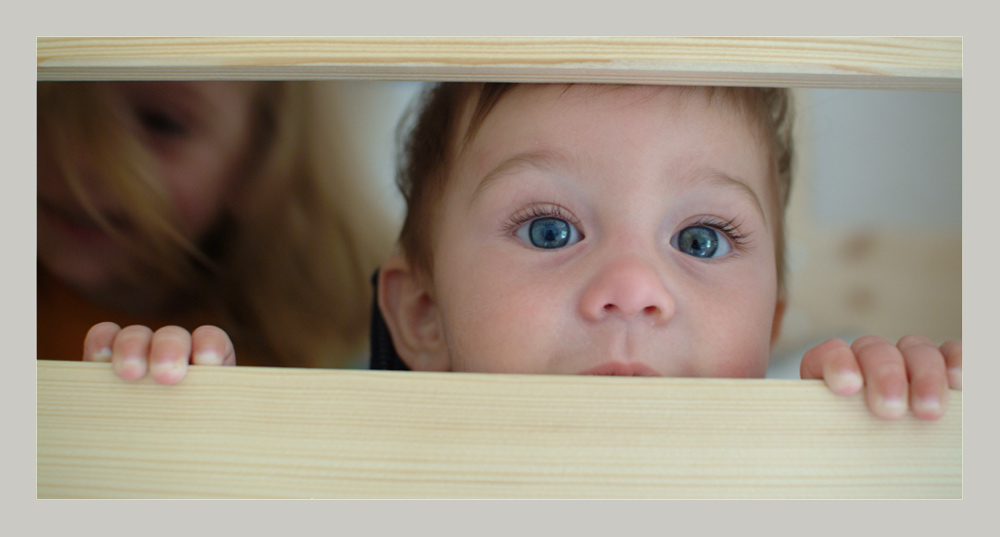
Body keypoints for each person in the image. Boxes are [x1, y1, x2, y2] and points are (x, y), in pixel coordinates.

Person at [82, 82, 962, 421]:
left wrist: (891, 413)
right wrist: (190, 412)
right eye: (550, 229)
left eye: (700, 238)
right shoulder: (353, 444)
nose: (632, 288)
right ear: (423, 319)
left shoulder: (795, 440)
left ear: (769, 320)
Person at [40, 81, 395, 375]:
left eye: (161, 122)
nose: (79, 159)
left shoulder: (297, 353)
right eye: (43, 103)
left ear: (258, 160)